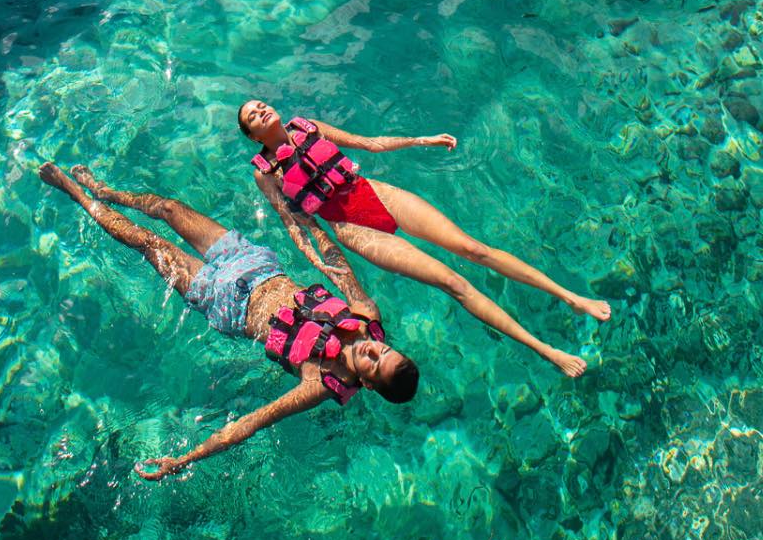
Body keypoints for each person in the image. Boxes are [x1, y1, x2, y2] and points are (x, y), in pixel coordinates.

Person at [37, 161, 420, 480]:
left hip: (223, 302)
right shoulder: (366, 317)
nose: (372, 348)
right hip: (254, 263)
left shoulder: (318, 382)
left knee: (146, 242)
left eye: (374, 361)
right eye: (383, 349)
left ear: (367, 384)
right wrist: (308, 223)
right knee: (169, 209)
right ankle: (105, 191)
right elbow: (338, 266)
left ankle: (76, 193)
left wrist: (182, 461)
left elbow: (251, 423)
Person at [238, 101, 611, 378]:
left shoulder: (308, 126)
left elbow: (369, 144)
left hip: (374, 193)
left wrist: (422, 139)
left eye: (260, 105)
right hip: (351, 228)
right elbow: (293, 223)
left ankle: (572, 297)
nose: (260, 111)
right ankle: (545, 350)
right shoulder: (266, 172)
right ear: (254, 136)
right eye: (252, 117)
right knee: (453, 282)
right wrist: (316, 258)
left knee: (473, 249)